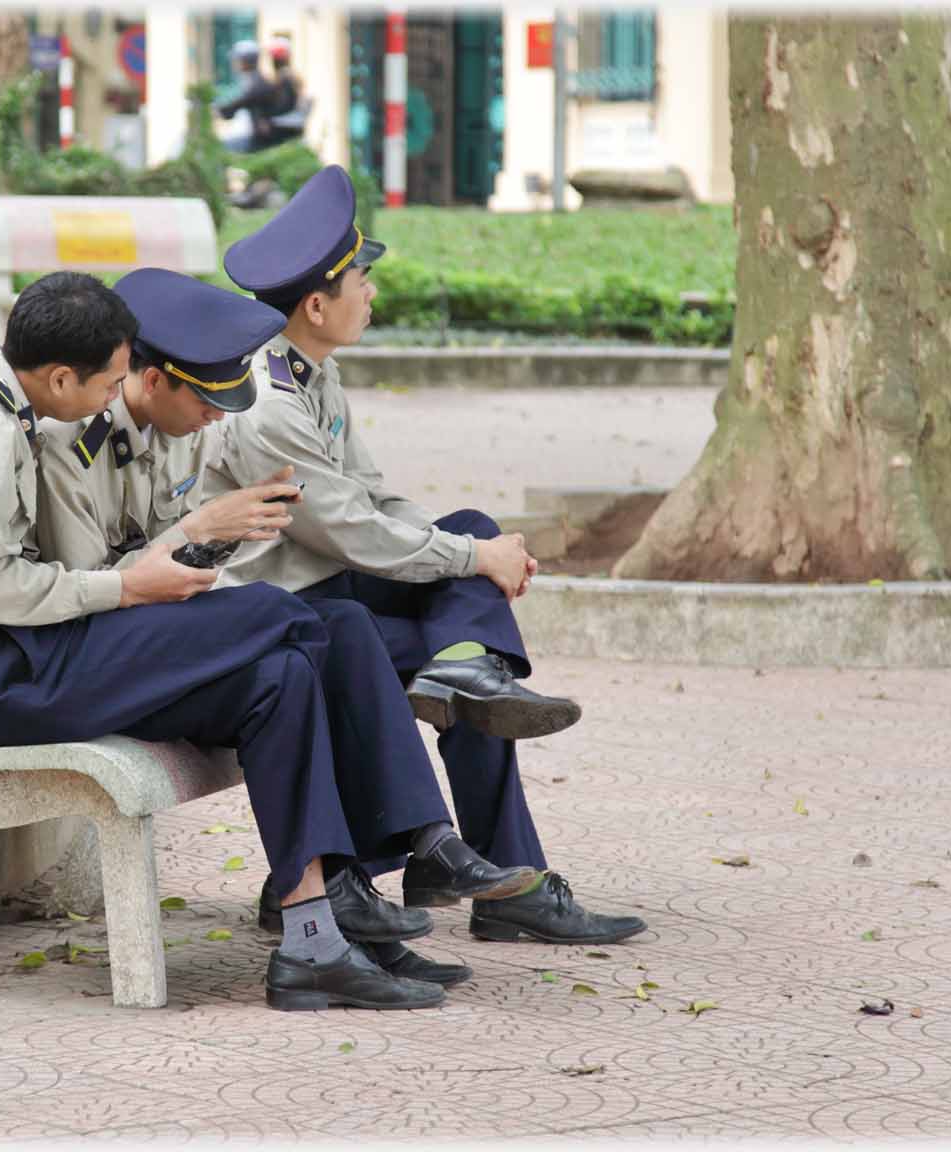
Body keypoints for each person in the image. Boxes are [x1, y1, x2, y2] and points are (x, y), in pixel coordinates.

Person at [0, 269, 519, 1011]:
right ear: (66, 374)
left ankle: (315, 935)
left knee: (286, 676)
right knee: (305, 621)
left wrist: (194, 545)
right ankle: (409, 846)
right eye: (110, 382)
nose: (114, 396)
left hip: (33, 654)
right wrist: (138, 582)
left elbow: (96, 572)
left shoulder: (14, 403)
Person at [36, 267, 540, 987]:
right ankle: (363, 875)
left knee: (343, 632)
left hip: (179, 620)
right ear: (153, 382)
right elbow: (107, 589)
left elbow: (362, 502)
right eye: (207, 399)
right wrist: (201, 530)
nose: (218, 417)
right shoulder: (80, 445)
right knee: (321, 632)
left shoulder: (177, 431)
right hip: (112, 646)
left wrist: (214, 535)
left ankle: (395, 862)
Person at [202, 165, 650, 946]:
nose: (372, 291)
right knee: (466, 647)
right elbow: (355, 532)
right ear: (316, 305)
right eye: (362, 279)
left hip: (335, 588)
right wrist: (475, 562)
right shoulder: (269, 405)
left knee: (470, 605)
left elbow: (376, 498)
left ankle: (468, 668)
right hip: (290, 615)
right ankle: (500, 863)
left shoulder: (312, 371)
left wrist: (471, 544)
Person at [215, 38, 283, 153]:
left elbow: (236, 104)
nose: (234, 63)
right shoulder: (251, 79)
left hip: (256, 137)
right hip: (252, 133)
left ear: (245, 61)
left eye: (237, 59)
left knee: (217, 150)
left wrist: (218, 110)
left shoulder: (255, 83)